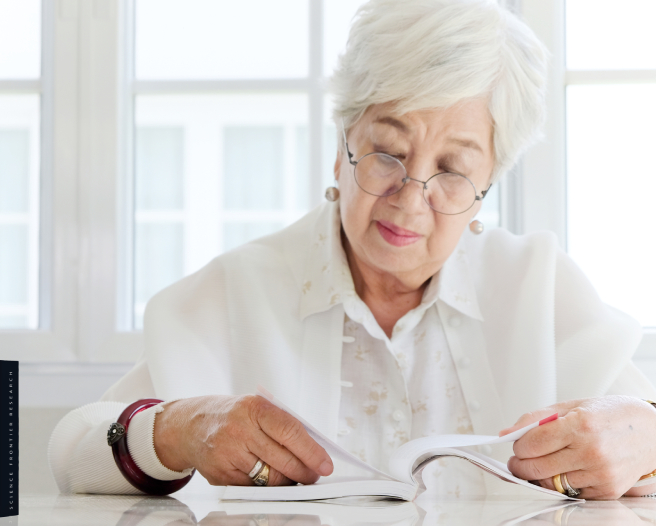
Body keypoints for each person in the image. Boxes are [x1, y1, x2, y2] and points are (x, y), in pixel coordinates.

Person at [48, 0, 656, 500]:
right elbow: (73, 450)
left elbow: (637, 429)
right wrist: (178, 430)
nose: (410, 200)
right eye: (388, 151)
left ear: (488, 186)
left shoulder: (538, 285)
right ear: (342, 145)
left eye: (452, 170)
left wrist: (644, 440)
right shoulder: (238, 289)